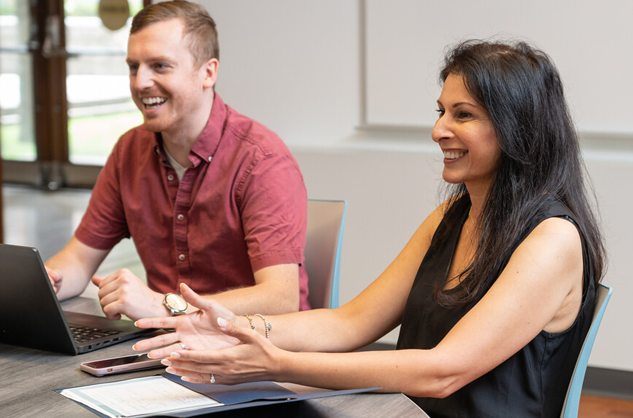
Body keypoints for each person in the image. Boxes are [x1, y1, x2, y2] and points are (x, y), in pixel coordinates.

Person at [133, 39, 606, 418]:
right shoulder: (452, 217)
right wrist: (238, 328)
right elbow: (351, 321)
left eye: (463, 115)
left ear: (517, 128)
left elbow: (443, 372)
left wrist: (277, 364)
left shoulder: (553, 238)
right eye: (441, 111)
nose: (440, 129)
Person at [45, 0, 310, 321]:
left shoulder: (262, 160)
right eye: (133, 66)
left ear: (208, 73)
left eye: (160, 66)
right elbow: (78, 259)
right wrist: (46, 282)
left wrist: (165, 305)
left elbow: (280, 299)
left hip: (253, 352)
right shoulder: (128, 152)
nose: (140, 82)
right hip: (169, 345)